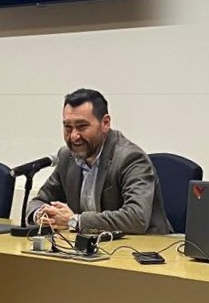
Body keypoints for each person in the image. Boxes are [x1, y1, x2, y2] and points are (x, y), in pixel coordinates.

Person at [26, 88, 170, 234]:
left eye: (82, 127)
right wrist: (40, 215)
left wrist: (75, 221)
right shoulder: (66, 157)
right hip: (91, 249)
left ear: (105, 123)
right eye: (68, 127)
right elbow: (38, 201)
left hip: (141, 249)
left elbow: (136, 218)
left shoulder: (130, 158)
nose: (74, 136)